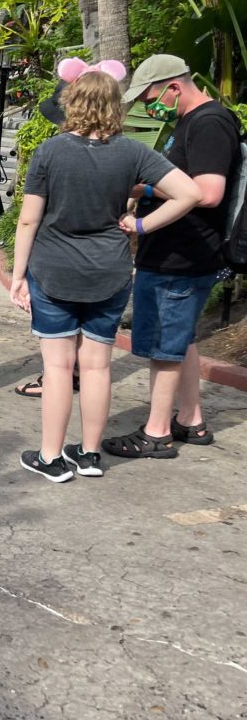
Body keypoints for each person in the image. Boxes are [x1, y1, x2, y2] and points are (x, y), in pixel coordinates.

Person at [8, 66, 201, 482]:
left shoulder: (50, 151)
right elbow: (190, 192)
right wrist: (141, 225)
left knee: (58, 368)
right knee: (97, 366)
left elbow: (28, 220)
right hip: (109, 271)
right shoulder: (132, 152)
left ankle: (50, 457)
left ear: (72, 103)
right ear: (115, 106)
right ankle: (90, 454)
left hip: (54, 270)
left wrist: (18, 275)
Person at [102, 54, 242, 459]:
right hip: (177, 253)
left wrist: (147, 196)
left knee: (164, 345)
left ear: (174, 87)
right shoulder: (193, 121)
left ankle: (157, 432)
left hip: (182, 256)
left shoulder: (209, 123)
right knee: (181, 339)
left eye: (150, 99)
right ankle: (190, 419)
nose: (150, 108)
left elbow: (207, 193)